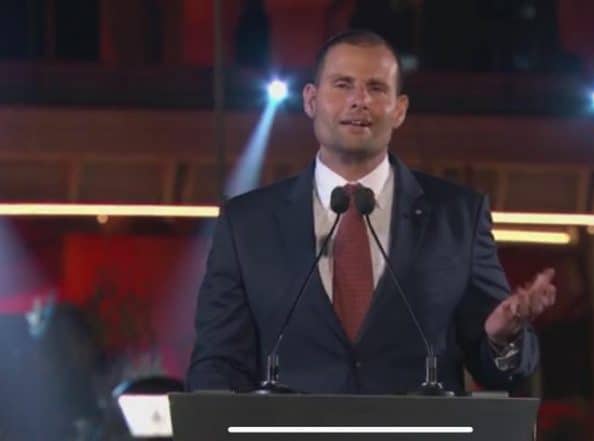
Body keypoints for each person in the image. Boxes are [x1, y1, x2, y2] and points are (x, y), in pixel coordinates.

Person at [186, 29, 556, 394]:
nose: (359, 100)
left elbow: (500, 366)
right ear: (311, 100)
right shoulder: (246, 224)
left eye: (376, 88)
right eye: (342, 85)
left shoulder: (458, 217)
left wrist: (502, 338)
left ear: (400, 110)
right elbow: (217, 363)